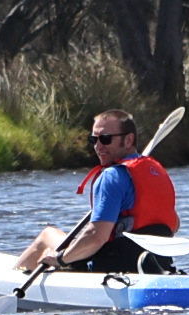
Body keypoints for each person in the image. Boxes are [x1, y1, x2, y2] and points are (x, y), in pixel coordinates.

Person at [12, 109, 180, 276]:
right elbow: (174, 225)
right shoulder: (157, 172)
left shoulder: (112, 175)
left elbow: (96, 236)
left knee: (47, 236)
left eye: (106, 139)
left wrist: (60, 259)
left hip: (110, 268)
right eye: (94, 139)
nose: (98, 146)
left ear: (128, 140)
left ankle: (7, 282)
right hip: (156, 264)